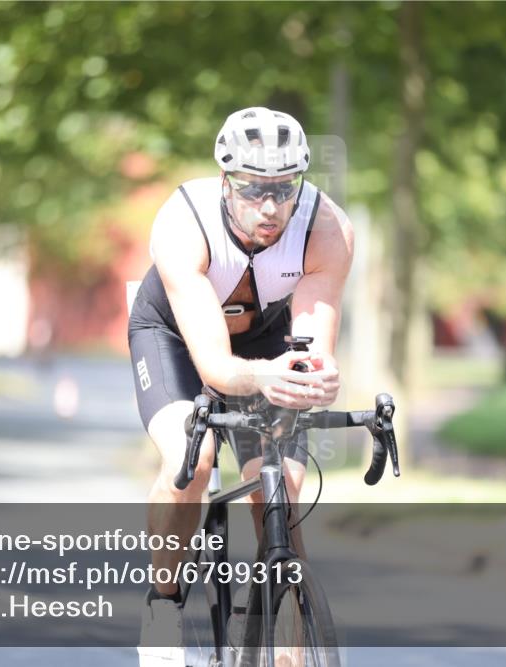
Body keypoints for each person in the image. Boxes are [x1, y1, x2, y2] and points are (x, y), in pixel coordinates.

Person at [128, 106, 354, 665]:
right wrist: (263, 378)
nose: (271, 207)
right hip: (178, 338)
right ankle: (163, 601)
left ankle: (284, 626)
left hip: (267, 340)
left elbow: (311, 349)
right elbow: (217, 369)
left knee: (281, 482)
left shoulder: (327, 229)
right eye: (254, 190)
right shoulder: (184, 224)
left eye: (284, 188)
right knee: (193, 456)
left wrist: (317, 378)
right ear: (226, 181)